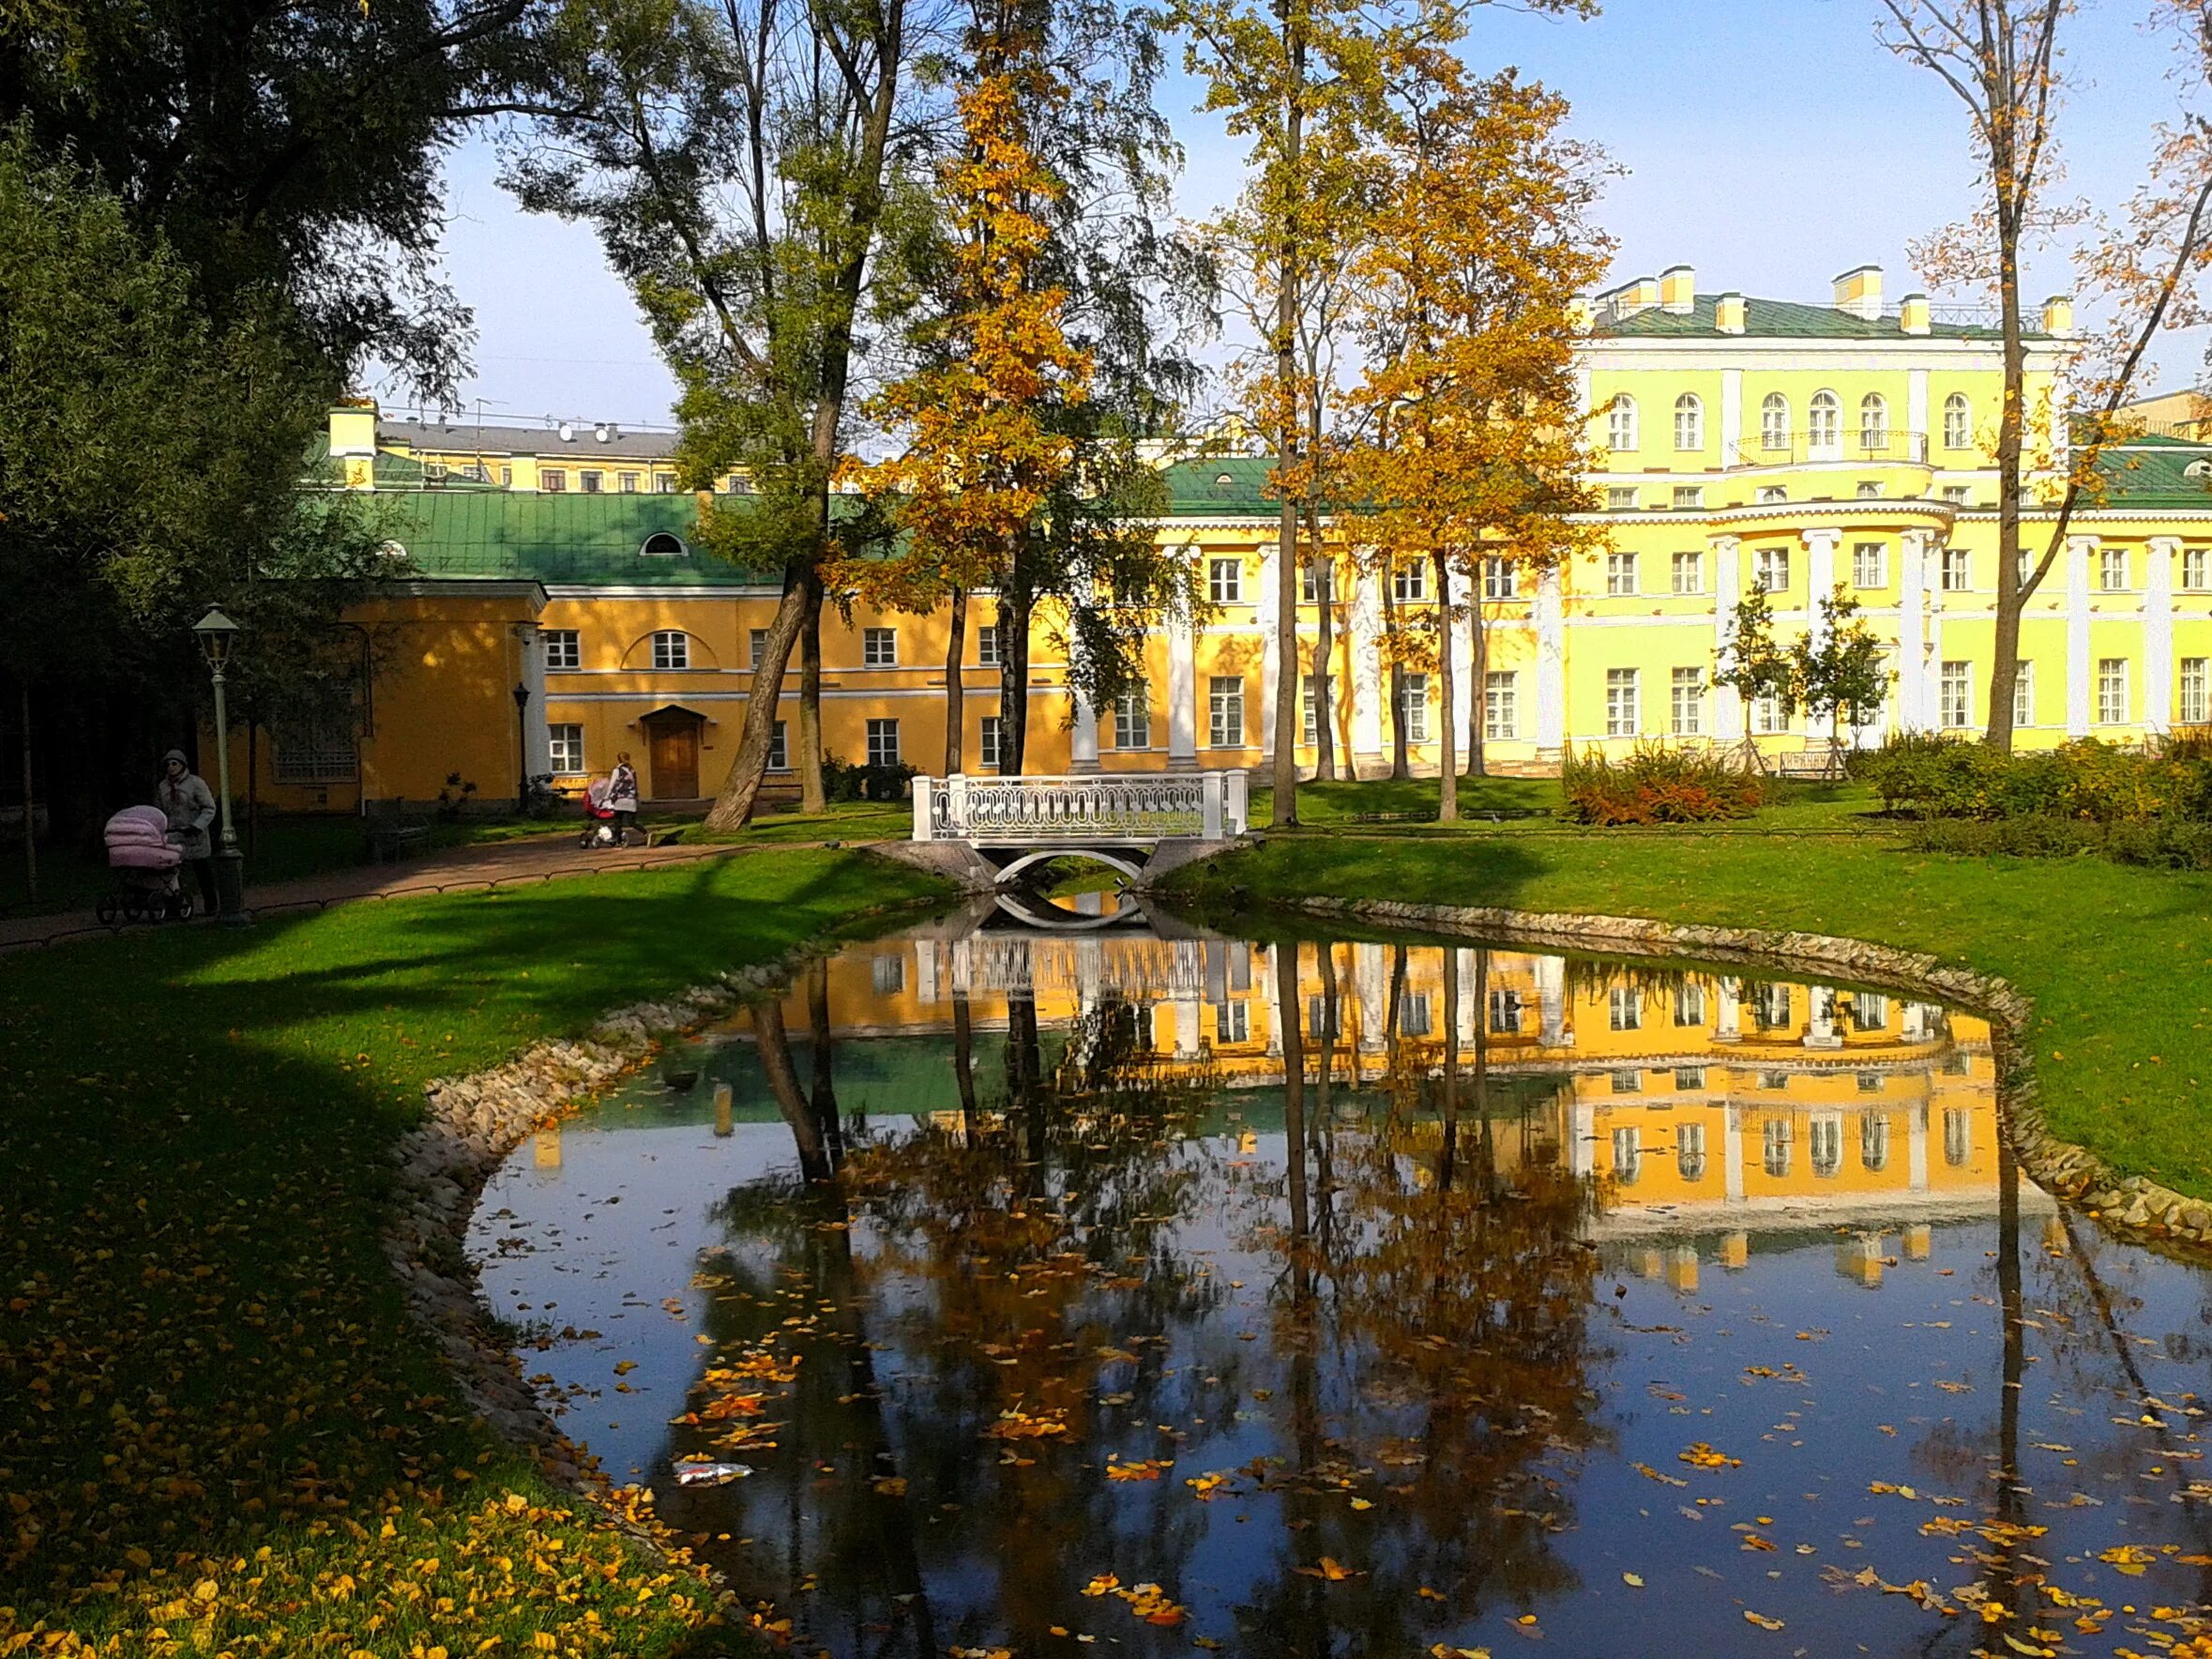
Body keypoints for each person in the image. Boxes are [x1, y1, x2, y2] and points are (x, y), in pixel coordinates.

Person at [156, 749, 218, 913]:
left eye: (174, 763)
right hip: (173, 835)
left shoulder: (196, 783)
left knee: (202, 871)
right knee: (172, 873)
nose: (171, 767)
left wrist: (197, 826)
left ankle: (210, 904)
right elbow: (159, 811)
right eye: (168, 764)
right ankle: (175, 904)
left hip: (194, 835)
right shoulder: (163, 787)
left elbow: (209, 808)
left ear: (182, 765)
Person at [607, 752, 641, 846]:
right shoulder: (632, 770)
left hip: (620, 799)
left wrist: (607, 796)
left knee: (618, 821)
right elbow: (635, 785)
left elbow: (612, 784)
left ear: (618, 759)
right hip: (631, 798)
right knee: (632, 821)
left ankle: (618, 840)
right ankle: (646, 833)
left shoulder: (617, 770)